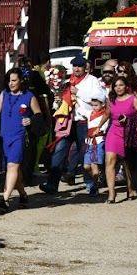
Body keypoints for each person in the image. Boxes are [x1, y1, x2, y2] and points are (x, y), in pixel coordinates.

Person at [43, 56, 105, 194]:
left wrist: (79, 93)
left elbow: (100, 98)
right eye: (75, 66)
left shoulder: (92, 81)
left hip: (84, 122)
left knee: (85, 154)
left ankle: (91, 185)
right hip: (69, 121)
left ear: (85, 67)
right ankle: (52, 184)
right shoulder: (68, 80)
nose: (77, 69)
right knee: (59, 150)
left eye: (79, 66)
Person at [0, 68, 42, 212]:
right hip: (5, 135)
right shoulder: (4, 94)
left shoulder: (29, 96)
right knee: (12, 168)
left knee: (13, 166)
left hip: (19, 135)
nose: (11, 83)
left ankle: (5, 199)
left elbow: (38, 115)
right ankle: (22, 194)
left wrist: (30, 119)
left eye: (14, 80)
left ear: (21, 80)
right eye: (9, 80)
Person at [104, 75, 137, 203]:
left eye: (121, 85)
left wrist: (129, 119)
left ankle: (130, 188)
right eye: (116, 85)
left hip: (129, 133)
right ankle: (112, 194)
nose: (118, 88)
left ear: (126, 86)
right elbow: (107, 114)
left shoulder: (133, 99)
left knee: (128, 163)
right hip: (113, 132)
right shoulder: (111, 100)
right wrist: (98, 127)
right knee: (110, 161)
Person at [83, 95, 109, 196]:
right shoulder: (89, 113)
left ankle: (94, 187)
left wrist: (100, 131)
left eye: (96, 105)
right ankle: (99, 178)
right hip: (89, 142)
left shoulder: (105, 115)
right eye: (92, 105)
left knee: (94, 166)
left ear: (102, 105)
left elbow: (105, 127)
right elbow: (80, 107)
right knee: (86, 166)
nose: (94, 107)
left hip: (99, 141)